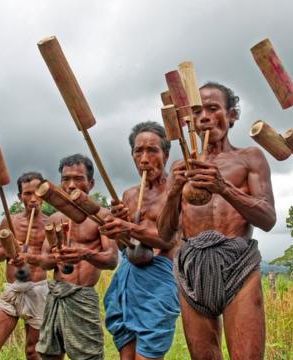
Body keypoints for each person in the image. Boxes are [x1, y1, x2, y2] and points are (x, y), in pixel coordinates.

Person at [157, 82, 276, 360]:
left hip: (238, 264)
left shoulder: (249, 158)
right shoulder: (179, 168)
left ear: (232, 115)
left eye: (213, 109)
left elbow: (268, 219)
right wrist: (174, 191)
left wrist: (223, 187)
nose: (205, 117)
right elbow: (164, 235)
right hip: (192, 265)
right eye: (197, 112)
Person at [100, 121, 181, 359]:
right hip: (128, 277)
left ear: (165, 155)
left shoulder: (175, 191)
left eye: (152, 151)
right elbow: (124, 246)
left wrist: (127, 227)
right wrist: (117, 231)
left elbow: (167, 240)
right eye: (138, 151)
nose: (144, 159)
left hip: (158, 281)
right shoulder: (129, 195)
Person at [36, 154, 118, 360]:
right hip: (55, 293)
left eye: (78, 179)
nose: (71, 185)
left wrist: (85, 254)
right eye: (66, 179)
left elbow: (111, 260)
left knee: (88, 356)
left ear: (90, 183)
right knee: (49, 354)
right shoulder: (54, 219)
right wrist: (57, 255)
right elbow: (44, 262)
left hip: (82, 296)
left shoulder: (102, 217)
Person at [0, 172, 54, 360]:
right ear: (20, 197)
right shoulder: (10, 222)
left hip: (38, 291)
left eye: (37, 193)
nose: (32, 199)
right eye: (27, 194)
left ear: (43, 194)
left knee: (33, 352)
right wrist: (11, 249)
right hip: (12, 291)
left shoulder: (51, 223)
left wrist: (30, 256)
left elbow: (52, 261)